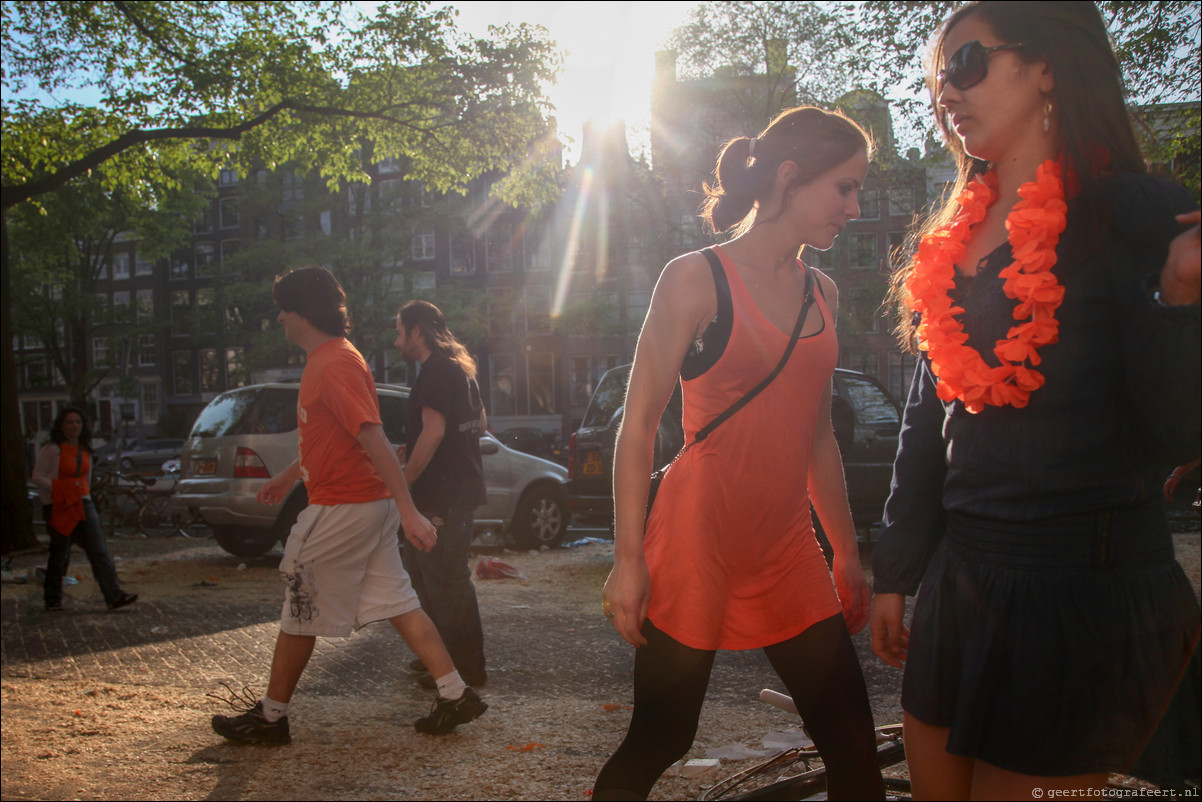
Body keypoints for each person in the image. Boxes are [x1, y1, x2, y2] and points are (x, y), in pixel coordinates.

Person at [870, 2, 1201, 798]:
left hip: (1075, 594)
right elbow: (929, 416)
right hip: (963, 581)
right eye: (937, 74)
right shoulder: (951, 233)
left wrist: (1179, 296)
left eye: (968, 63)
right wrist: (897, 568)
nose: (946, 91)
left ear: (1046, 66)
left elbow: (1179, 431)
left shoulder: (1141, 214)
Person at [594, 106, 886, 801]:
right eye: (844, 188)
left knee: (852, 746)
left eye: (858, 191)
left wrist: (845, 552)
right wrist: (628, 560)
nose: (854, 206)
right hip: (700, 536)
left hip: (787, 543)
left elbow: (817, 435)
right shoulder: (696, 278)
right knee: (663, 736)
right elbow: (636, 428)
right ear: (791, 177)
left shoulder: (826, 294)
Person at [210, 266, 486, 744]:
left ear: (303, 313)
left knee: (300, 601)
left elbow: (372, 437)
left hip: (346, 506)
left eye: (283, 309)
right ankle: (454, 694)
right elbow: (333, 440)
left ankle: (271, 719)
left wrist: (409, 509)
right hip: (362, 504)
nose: (278, 319)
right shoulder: (334, 358)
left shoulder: (333, 362)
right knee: (400, 603)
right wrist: (287, 475)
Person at [394, 300, 489, 689]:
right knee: (424, 575)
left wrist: (405, 481)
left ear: (417, 331)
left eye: (399, 331)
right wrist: (416, 444)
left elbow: (433, 431)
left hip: (441, 496)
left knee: (446, 579)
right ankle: (441, 657)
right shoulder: (461, 368)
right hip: (459, 489)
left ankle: (465, 668)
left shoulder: (434, 371)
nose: (396, 339)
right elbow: (480, 423)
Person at [31, 406, 138, 612]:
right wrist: (60, 489)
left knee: (99, 550)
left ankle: (114, 595)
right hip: (60, 505)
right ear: (61, 426)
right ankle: (52, 598)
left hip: (83, 503)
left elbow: (85, 481)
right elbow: (38, 476)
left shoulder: (84, 449)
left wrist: (86, 496)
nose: (74, 426)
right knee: (60, 552)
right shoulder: (53, 449)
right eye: (70, 422)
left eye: (78, 422)